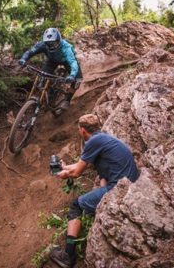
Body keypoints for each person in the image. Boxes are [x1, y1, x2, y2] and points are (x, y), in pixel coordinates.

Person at [49, 114, 140, 268]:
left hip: (119, 189)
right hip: (132, 185)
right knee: (91, 198)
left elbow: (76, 173)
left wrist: (63, 174)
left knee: (75, 206)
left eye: (79, 129)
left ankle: (68, 256)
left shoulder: (93, 141)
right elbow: (81, 164)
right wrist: (64, 167)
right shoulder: (103, 138)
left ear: (82, 130)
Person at [18, 27, 82, 110]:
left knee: (77, 80)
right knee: (43, 76)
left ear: (59, 40)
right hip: (52, 60)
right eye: (49, 44)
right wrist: (23, 59)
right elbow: (30, 51)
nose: (52, 46)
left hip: (66, 61)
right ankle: (46, 96)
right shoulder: (42, 44)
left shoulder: (66, 48)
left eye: (54, 43)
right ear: (45, 42)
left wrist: (72, 75)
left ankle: (67, 100)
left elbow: (73, 62)